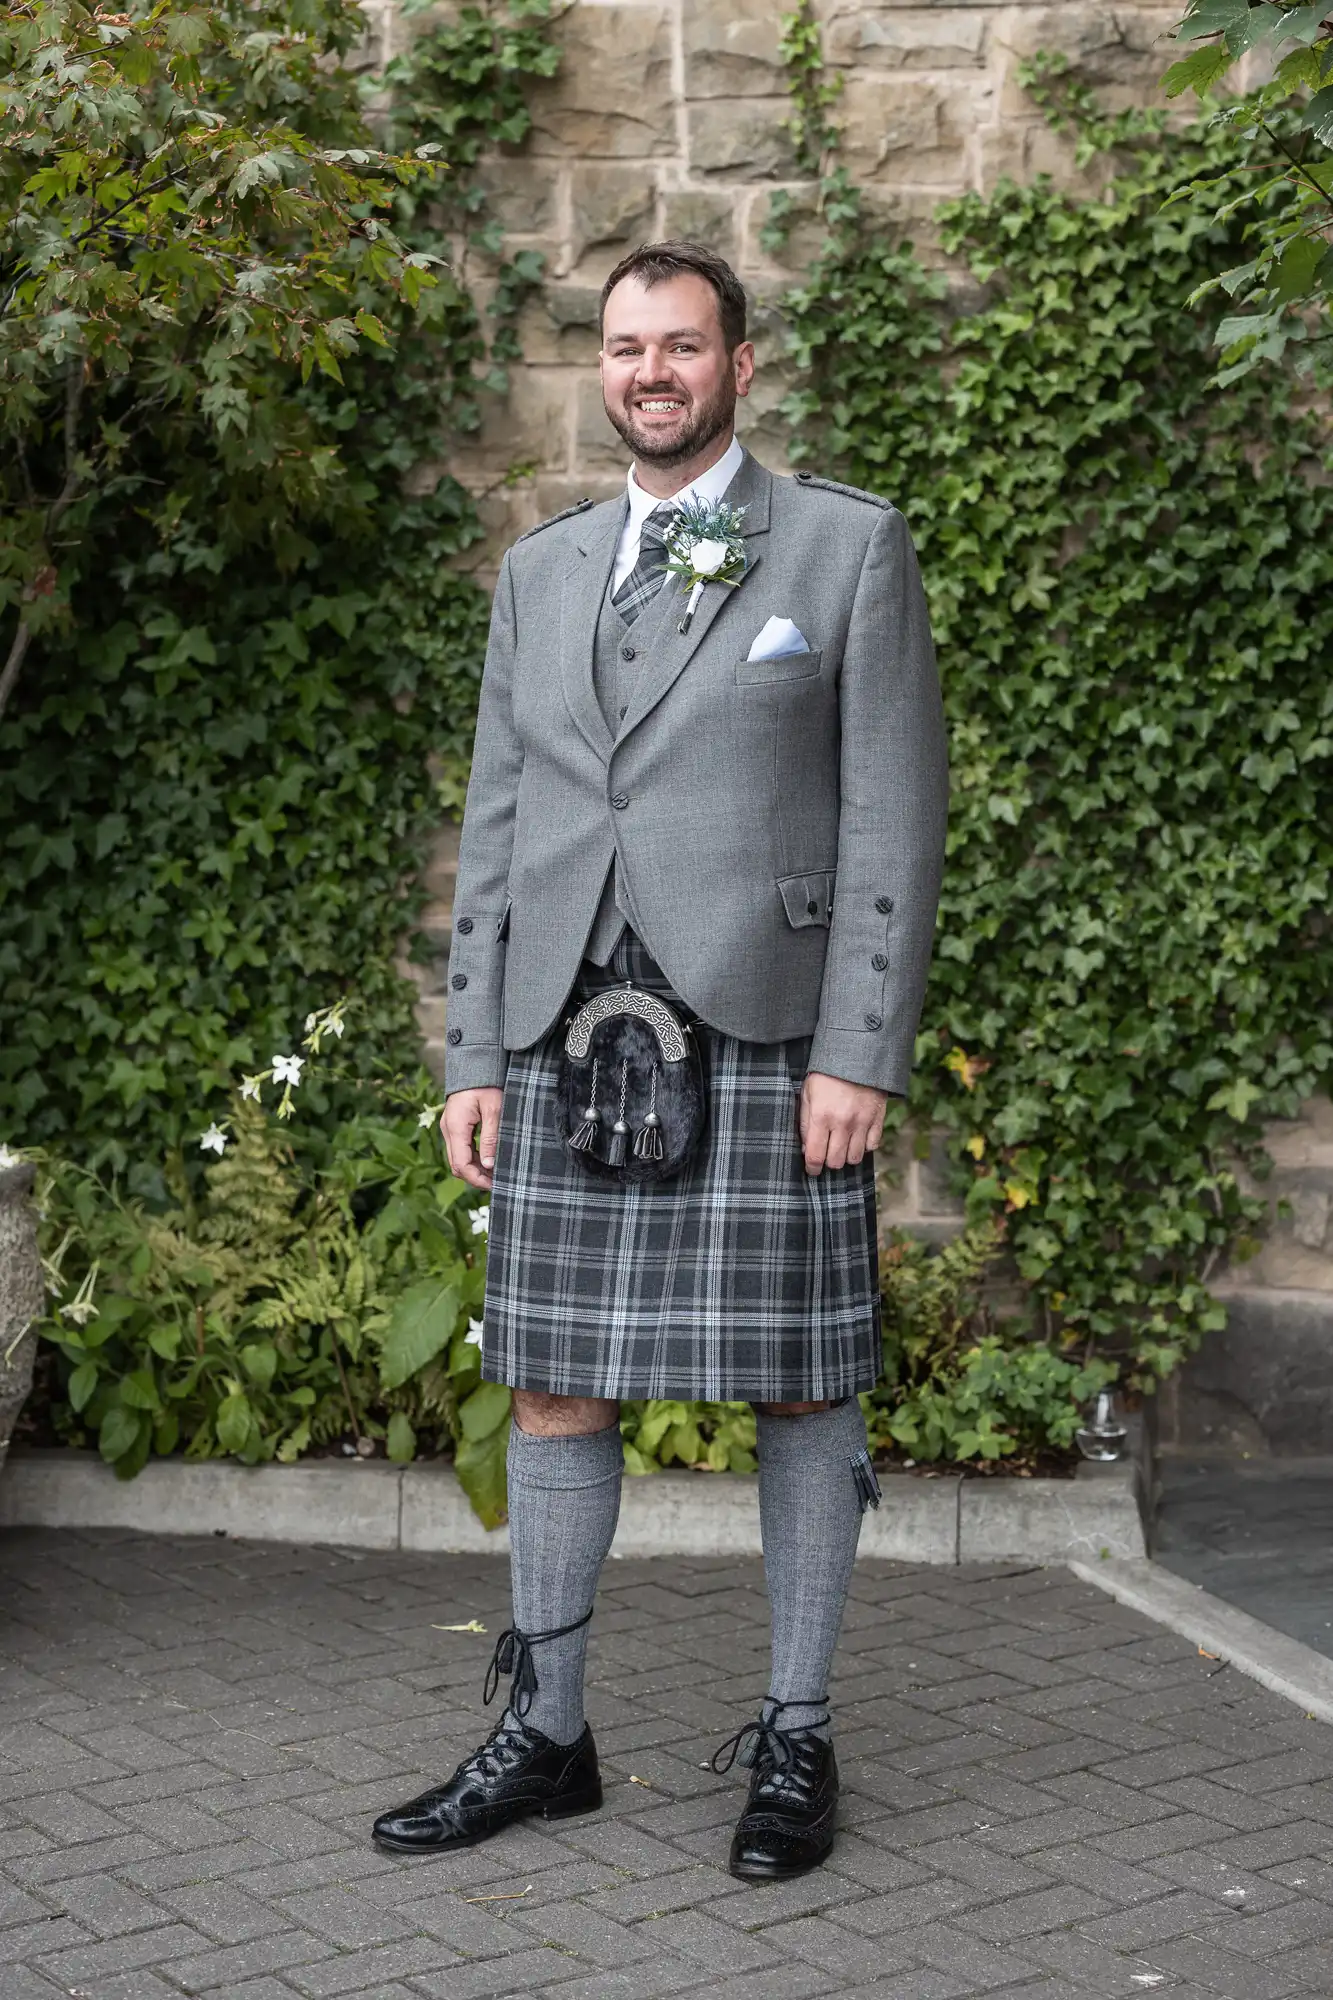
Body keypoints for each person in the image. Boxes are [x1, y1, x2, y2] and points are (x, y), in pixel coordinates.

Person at [372, 240, 948, 1881]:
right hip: (564, 1028)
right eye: (624, 348)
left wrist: (863, 1049)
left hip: (770, 1030)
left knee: (801, 1380)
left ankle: (797, 1737)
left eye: (681, 347)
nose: (650, 373)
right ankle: (548, 1736)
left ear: (740, 365)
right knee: (554, 1384)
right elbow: (495, 830)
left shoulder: (845, 549)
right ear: (601, 369)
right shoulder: (540, 574)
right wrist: (471, 1043)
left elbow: (895, 812)